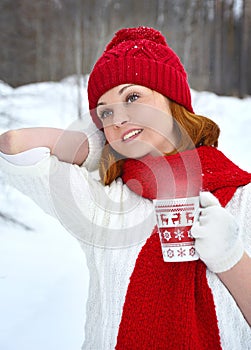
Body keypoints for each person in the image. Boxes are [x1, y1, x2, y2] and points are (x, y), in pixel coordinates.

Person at [0, 26, 251, 350]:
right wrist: (97, 146)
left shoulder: (244, 197)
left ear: (173, 100)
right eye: (105, 111)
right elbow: (13, 146)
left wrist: (231, 258)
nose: (117, 117)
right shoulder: (103, 200)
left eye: (133, 97)